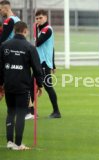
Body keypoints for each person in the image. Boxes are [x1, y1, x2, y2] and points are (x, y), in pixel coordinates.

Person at [0, 21, 43, 150]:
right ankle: (18, 144)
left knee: (10, 113)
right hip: (22, 86)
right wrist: (40, 84)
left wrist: (1, 85)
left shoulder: (4, 45)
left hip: (8, 85)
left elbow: (0, 67)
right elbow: (37, 68)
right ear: (25, 31)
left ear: (14, 30)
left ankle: (10, 142)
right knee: (20, 114)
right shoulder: (29, 47)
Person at [25, 9, 60, 119]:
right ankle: (31, 112)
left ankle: (56, 111)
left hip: (43, 63)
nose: (38, 20)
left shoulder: (47, 29)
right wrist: (53, 64)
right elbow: (51, 48)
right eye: (37, 18)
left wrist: (51, 64)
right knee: (31, 86)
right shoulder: (40, 29)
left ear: (46, 17)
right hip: (39, 62)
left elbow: (38, 43)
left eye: (41, 18)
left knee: (48, 87)